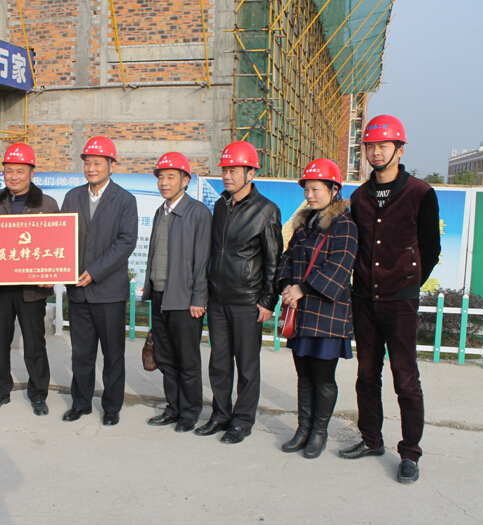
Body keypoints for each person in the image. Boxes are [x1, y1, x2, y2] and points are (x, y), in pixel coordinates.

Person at [340, 115, 440, 484]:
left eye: (384, 146)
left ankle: (410, 452)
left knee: (405, 379)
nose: (376, 152)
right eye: (370, 146)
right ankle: (371, 439)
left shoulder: (420, 193)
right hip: (364, 299)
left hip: (400, 301)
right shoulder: (359, 197)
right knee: (367, 375)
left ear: (399, 149)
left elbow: (430, 248)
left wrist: (407, 283)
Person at [197, 140, 283, 444]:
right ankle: (220, 414)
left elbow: (273, 261)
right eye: (225, 170)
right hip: (218, 299)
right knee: (219, 363)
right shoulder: (221, 206)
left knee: (246, 365)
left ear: (251, 172)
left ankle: (243, 420)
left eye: (233, 170)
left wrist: (267, 301)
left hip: (247, 302)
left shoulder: (266, 211)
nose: (227, 176)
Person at [276, 159, 358, 458]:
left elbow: (340, 267)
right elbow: (287, 257)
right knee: (304, 376)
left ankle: (319, 432)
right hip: (301, 312)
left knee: (323, 378)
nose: (309, 195)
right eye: (307, 189)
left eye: (316, 189)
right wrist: (286, 284)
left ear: (334, 190)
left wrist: (302, 289)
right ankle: (303, 428)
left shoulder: (345, 225)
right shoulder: (304, 224)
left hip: (327, 314)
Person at [60, 136, 137, 426]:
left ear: (111, 166)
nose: (91, 169)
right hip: (77, 291)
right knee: (81, 354)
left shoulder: (125, 200)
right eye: (88, 163)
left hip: (109, 292)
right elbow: (61, 236)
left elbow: (126, 242)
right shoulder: (73, 197)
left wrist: (94, 271)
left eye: (98, 163)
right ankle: (81, 403)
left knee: (113, 354)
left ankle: (112, 407)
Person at [0, 143, 60, 416]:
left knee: (35, 343)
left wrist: (50, 276)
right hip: (0, 288)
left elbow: (57, 245)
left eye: (20, 171)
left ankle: (38, 394)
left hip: (32, 289)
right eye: (9, 171)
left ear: (31, 173)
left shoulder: (47, 204)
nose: (14, 176)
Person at [142, 152, 212, 433]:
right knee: (166, 358)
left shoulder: (198, 212)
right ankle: (172, 408)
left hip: (184, 301)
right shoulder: (161, 211)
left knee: (188, 361)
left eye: (171, 177)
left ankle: (190, 412)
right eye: (161, 177)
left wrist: (199, 298)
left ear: (185, 180)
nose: (164, 182)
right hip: (160, 297)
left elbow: (203, 261)